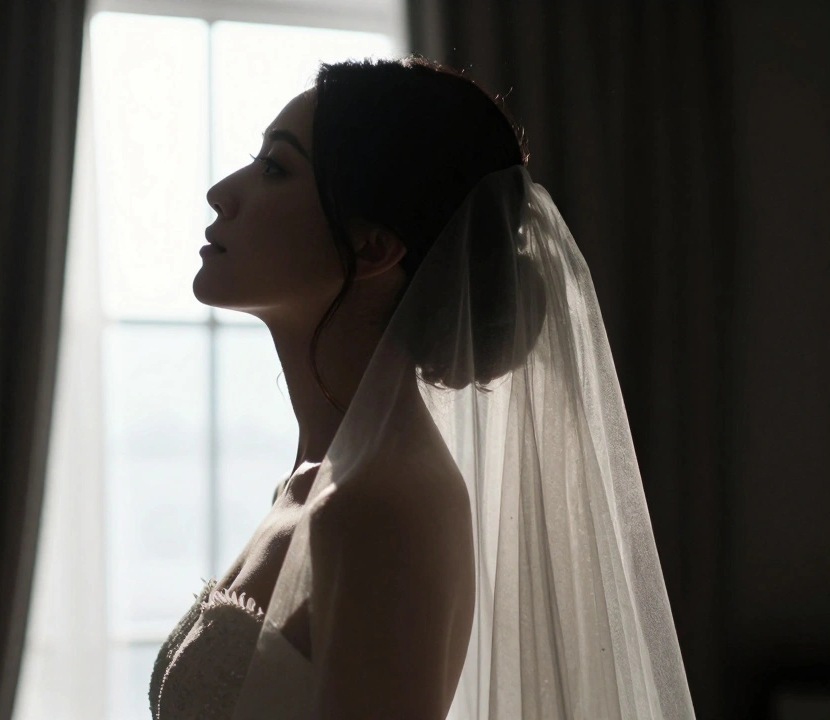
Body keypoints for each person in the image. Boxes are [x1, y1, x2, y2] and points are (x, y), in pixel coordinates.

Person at [149, 56, 696, 719]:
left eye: (275, 168)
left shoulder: (379, 503)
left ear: (375, 247)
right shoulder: (319, 479)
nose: (221, 192)